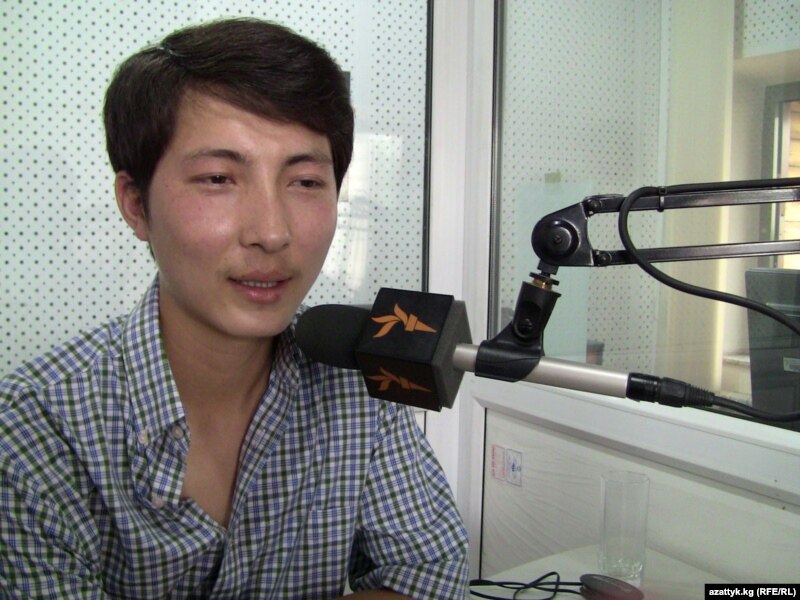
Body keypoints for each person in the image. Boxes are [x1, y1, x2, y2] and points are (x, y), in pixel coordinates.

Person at [0, 18, 469, 599]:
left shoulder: (360, 382)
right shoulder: (33, 432)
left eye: (305, 182)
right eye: (219, 178)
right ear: (136, 205)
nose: (272, 233)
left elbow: (429, 574)